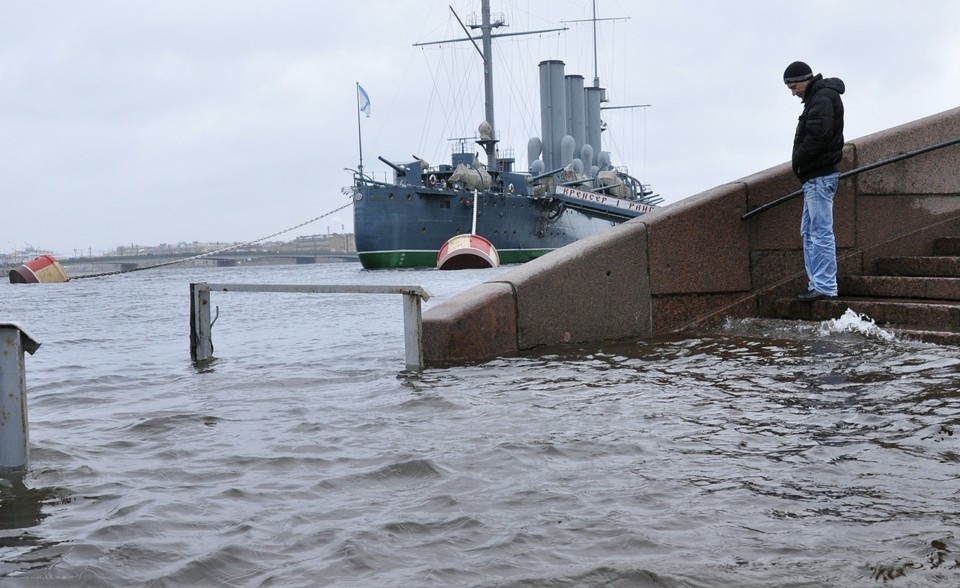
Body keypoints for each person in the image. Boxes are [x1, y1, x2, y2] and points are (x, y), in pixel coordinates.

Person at [783, 61, 845, 302]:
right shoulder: (818, 99)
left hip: (819, 175)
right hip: (813, 176)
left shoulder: (821, 99)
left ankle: (826, 287)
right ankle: (817, 284)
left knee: (819, 232)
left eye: (794, 86)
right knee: (810, 232)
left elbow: (818, 137)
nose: (793, 92)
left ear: (805, 79)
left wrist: (797, 160)